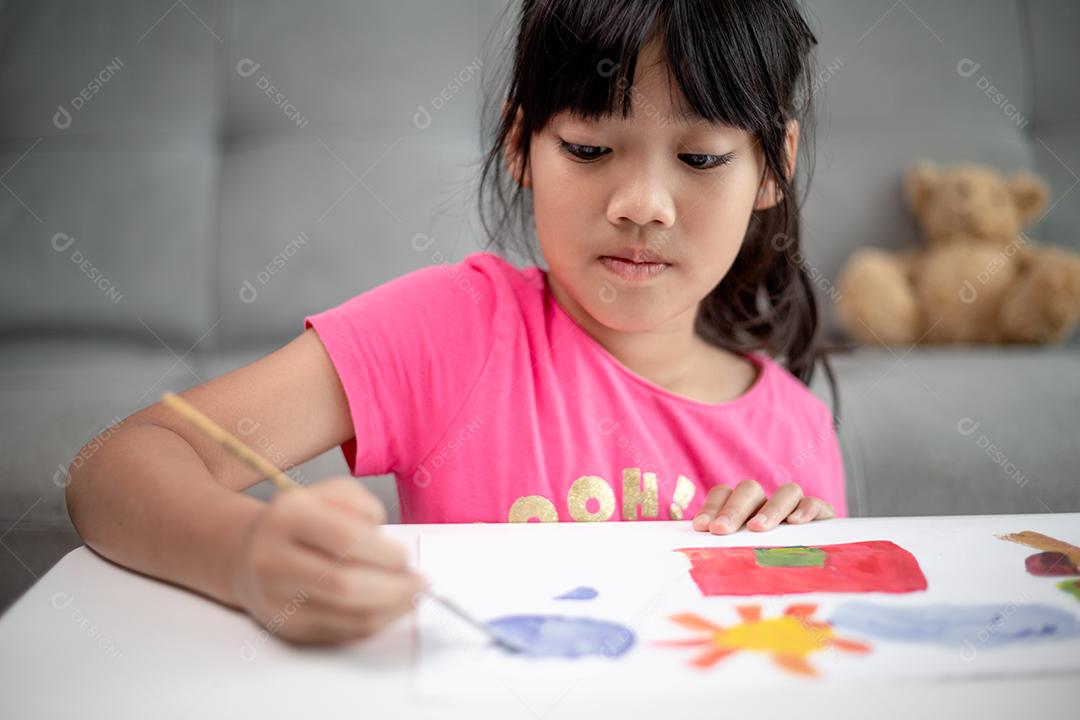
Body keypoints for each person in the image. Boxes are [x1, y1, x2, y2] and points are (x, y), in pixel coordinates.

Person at [66, 0, 844, 646]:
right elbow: (114, 465)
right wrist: (244, 556)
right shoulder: (451, 331)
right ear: (520, 145)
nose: (641, 202)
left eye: (702, 158)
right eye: (588, 147)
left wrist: (807, 556)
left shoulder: (800, 432)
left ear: (772, 165)